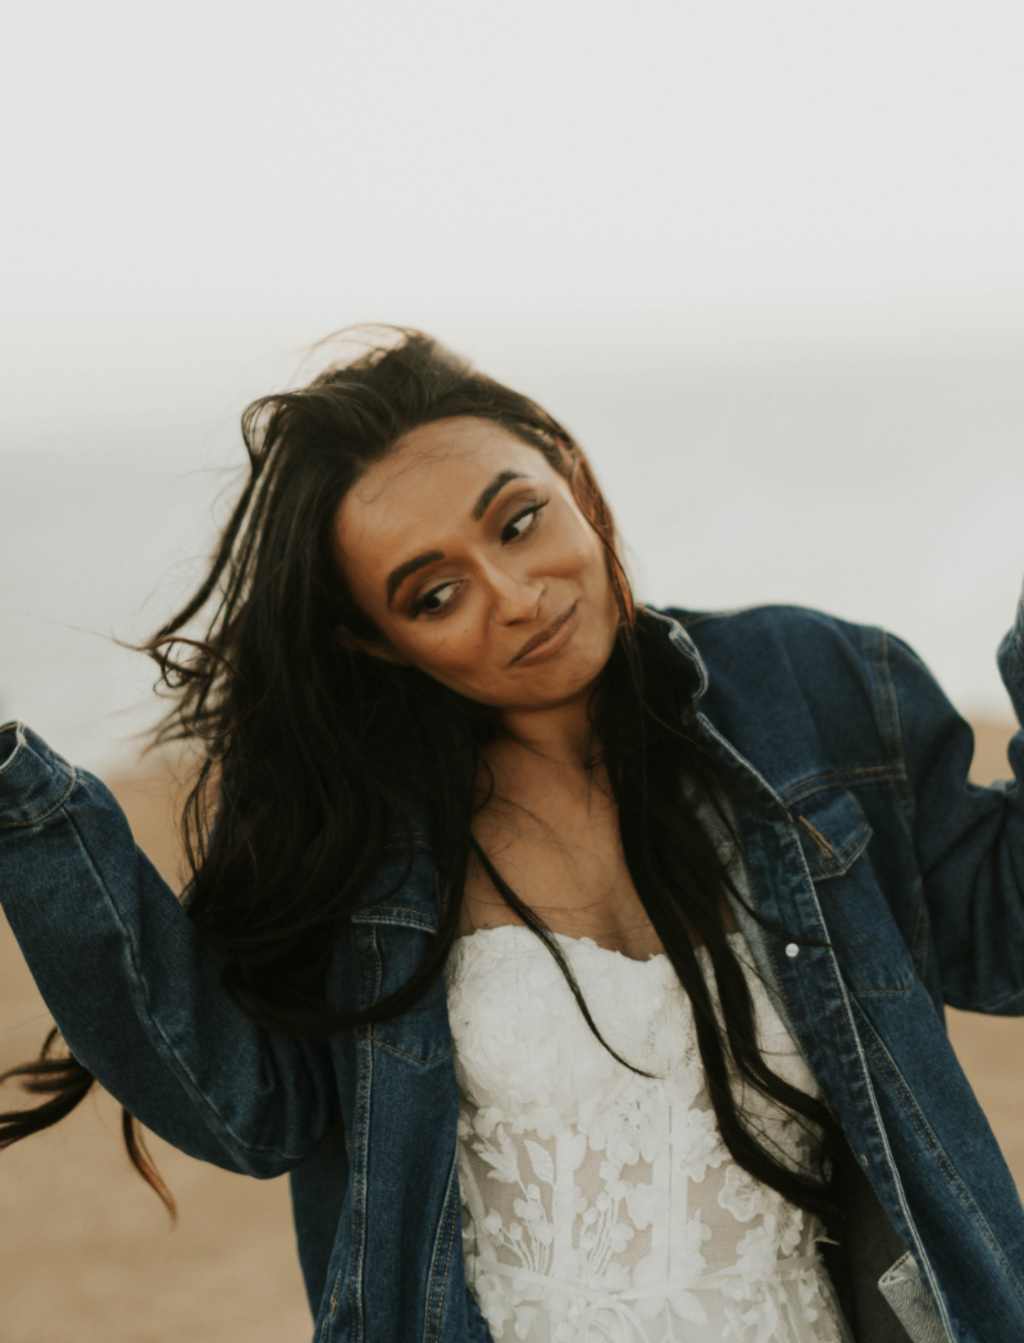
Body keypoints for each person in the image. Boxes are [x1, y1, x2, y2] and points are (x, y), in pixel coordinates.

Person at [1, 328, 1022, 1343]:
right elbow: (248, 1110)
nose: (518, 596)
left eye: (520, 521)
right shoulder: (353, 836)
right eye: (435, 595)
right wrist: (28, 807)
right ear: (374, 640)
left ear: (570, 474)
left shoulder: (808, 690)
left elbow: (1004, 938)